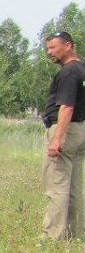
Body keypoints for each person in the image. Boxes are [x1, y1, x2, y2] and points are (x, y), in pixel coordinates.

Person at [40, 30, 85, 240]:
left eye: (53, 47)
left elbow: (66, 106)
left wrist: (57, 138)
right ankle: (73, 235)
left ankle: (51, 237)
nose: (49, 52)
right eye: (47, 48)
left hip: (65, 131)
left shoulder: (68, 72)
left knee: (57, 185)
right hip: (79, 130)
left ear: (68, 45)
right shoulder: (82, 68)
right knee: (74, 188)